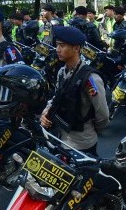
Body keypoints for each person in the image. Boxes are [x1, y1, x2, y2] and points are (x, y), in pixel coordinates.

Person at [40, 26, 110, 155]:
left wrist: (90, 130)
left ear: (76, 48)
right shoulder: (62, 72)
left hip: (82, 142)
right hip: (61, 138)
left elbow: (103, 115)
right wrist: (46, 112)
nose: (58, 49)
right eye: (57, 45)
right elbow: (56, 97)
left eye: (62, 45)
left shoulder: (90, 78)